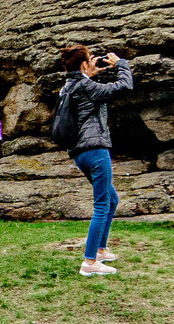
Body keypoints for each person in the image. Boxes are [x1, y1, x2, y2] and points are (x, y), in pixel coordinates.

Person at [54, 43, 134, 276]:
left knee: (111, 199)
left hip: (80, 153)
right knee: (101, 204)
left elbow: (88, 97)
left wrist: (88, 75)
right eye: (90, 57)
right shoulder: (85, 86)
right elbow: (124, 86)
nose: (94, 60)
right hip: (95, 150)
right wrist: (120, 64)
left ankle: (100, 250)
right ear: (83, 64)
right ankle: (89, 263)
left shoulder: (69, 86)